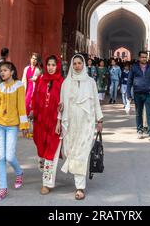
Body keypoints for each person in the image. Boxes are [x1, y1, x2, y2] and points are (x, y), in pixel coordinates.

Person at [56, 54, 103, 200]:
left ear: (83, 65)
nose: (77, 66)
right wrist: (58, 121)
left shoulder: (90, 82)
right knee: (71, 152)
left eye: (79, 63)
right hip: (69, 123)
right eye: (74, 63)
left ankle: (80, 187)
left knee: (82, 154)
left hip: (86, 122)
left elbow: (95, 101)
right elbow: (61, 105)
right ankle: (78, 181)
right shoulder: (66, 83)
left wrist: (99, 120)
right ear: (71, 65)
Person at [0, 61, 29, 202]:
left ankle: (19, 172)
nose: (2, 73)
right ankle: (3, 189)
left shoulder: (19, 86)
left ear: (12, 72)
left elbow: (22, 107)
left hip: (12, 125)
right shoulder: (0, 86)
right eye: (1, 71)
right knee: (1, 157)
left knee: (10, 156)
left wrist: (24, 126)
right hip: (0, 124)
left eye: (5, 70)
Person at [30, 55, 64, 195]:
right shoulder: (40, 80)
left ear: (58, 66)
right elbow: (35, 97)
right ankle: (44, 169)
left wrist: (59, 121)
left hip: (54, 123)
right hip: (40, 122)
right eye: (48, 64)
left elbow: (63, 104)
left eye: (53, 65)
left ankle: (47, 183)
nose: (50, 67)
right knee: (41, 151)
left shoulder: (62, 82)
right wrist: (32, 111)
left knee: (51, 153)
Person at [127, 51, 150, 141]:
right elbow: (129, 81)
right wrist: (128, 94)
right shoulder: (134, 68)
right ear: (139, 58)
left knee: (149, 113)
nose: (144, 58)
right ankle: (139, 130)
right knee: (138, 113)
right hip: (137, 93)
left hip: (148, 93)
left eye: (145, 57)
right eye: (142, 57)